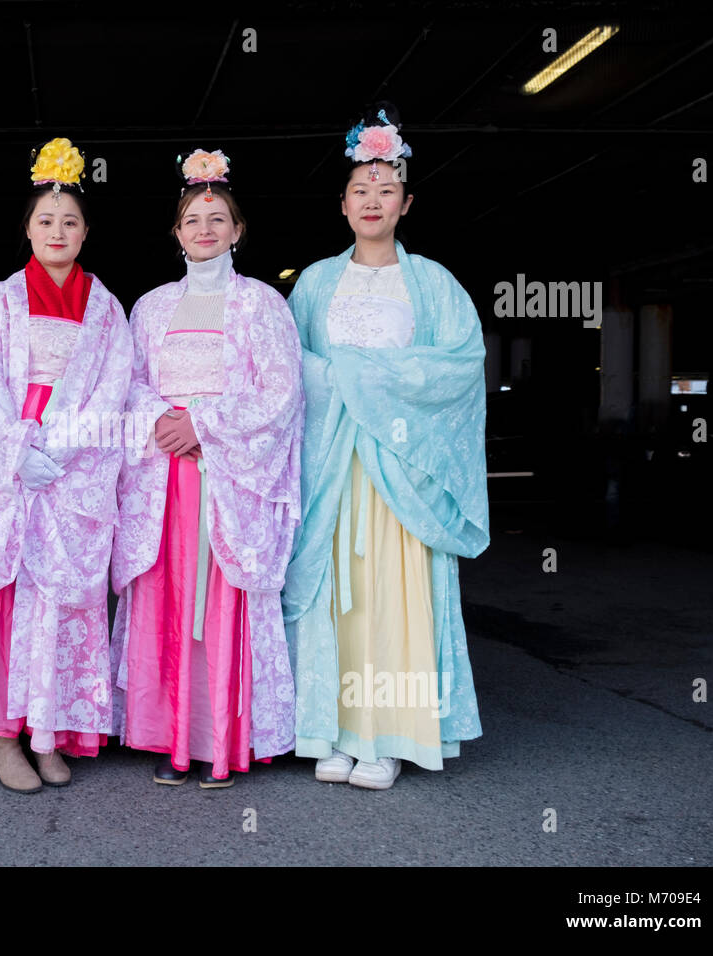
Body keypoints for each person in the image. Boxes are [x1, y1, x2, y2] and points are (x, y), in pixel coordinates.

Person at [283, 103, 489, 790]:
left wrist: (362, 374)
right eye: (360, 192)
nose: (372, 202)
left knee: (394, 597)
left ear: (406, 203)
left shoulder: (432, 284)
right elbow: (287, 369)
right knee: (336, 595)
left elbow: (459, 366)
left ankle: (390, 735)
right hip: (332, 466)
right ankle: (334, 729)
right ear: (342, 205)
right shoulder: (313, 283)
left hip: (401, 469)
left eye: (386, 191)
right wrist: (340, 375)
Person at [0, 138, 133, 793]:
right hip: (9, 465)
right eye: (45, 221)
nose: (57, 231)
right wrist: (22, 449)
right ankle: (1, 734)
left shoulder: (105, 308)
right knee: (6, 597)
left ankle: (49, 729)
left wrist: (65, 449)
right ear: (27, 228)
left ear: (85, 233)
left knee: (60, 603)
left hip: (71, 468)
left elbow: (114, 387)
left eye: (70, 221)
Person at [110, 150, 303, 789]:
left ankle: (222, 742)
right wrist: (164, 420)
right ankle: (173, 740)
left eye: (217, 218)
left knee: (220, 603)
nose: (205, 229)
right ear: (176, 232)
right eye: (193, 218)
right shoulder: (151, 307)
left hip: (229, 480)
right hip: (166, 479)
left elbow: (280, 392)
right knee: (169, 599)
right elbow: (128, 384)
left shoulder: (263, 304)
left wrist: (206, 424)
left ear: (237, 230)